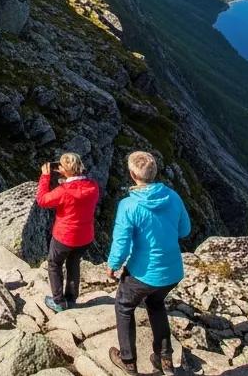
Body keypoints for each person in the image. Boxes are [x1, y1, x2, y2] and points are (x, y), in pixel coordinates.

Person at [106, 151, 191, 376]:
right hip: (172, 271)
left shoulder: (129, 205)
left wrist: (112, 265)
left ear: (133, 174)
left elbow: (121, 243)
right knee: (156, 304)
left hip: (143, 273)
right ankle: (165, 360)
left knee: (124, 306)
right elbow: (185, 230)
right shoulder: (173, 196)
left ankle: (128, 362)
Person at [37, 153, 100, 312]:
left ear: (66, 171)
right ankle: (71, 298)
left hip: (65, 236)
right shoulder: (92, 186)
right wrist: (66, 179)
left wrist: (45, 177)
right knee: (73, 263)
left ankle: (58, 301)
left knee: (54, 264)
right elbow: (78, 192)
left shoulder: (63, 190)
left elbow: (42, 200)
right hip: (85, 237)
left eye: (61, 166)